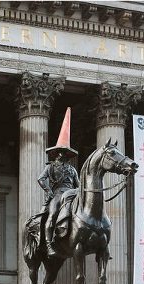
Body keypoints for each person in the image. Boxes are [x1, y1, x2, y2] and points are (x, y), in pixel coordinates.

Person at [38, 107, 79, 257]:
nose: (62, 155)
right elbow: (40, 179)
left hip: (72, 194)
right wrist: (49, 191)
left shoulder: (72, 169)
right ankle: (49, 244)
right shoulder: (50, 167)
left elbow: (78, 185)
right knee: (53, 214)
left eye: (65, 153)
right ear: (56, 154)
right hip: (57, 194)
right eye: (60, 152)